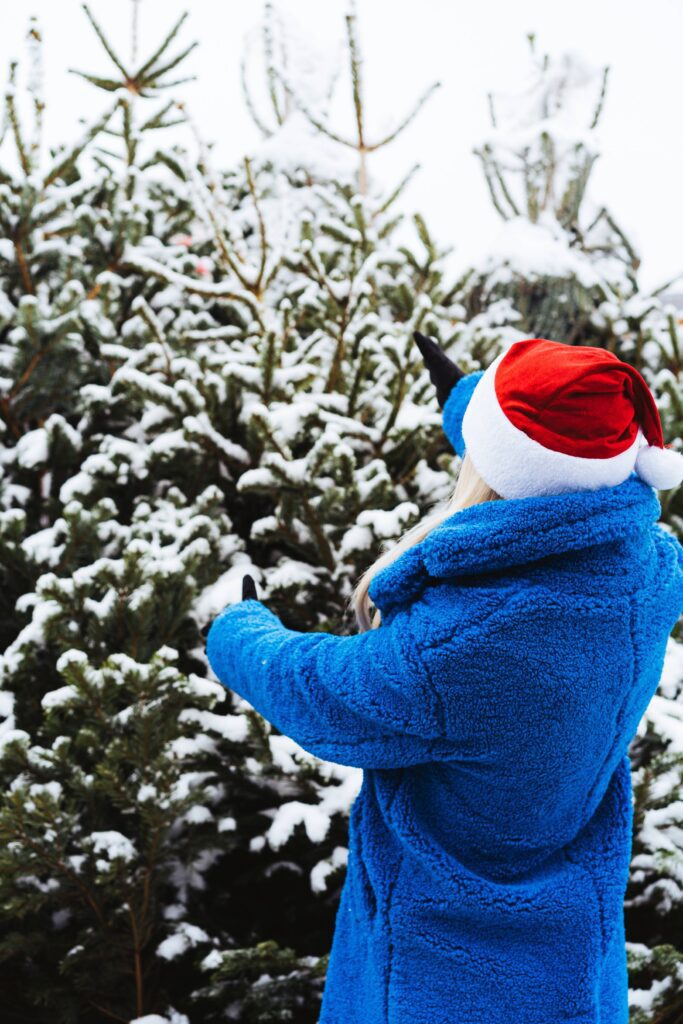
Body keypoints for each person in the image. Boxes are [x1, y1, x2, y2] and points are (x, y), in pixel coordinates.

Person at [205, 334, 683, 1024]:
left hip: (445, 974)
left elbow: (324, 690)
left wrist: (235, 631)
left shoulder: (464, 647)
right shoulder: (650, 572)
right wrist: (465, 398)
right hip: (572, 955)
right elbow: (552, 462)